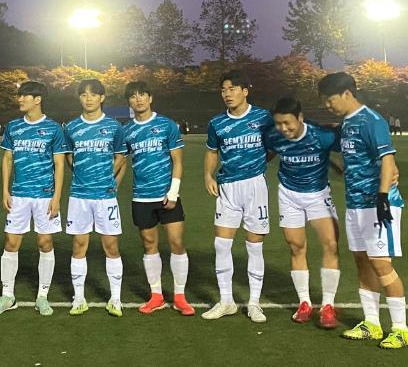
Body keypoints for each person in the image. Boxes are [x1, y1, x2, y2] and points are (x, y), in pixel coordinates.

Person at [318, 72, 408, 349]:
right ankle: (372, 323)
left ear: (347, 93)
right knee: (361, 260)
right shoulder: (346, 123)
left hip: (378, 205)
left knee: (381, 263)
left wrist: (382, 196)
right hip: (355, 204)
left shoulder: (372, 120)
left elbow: (388, 159)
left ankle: (400, 329)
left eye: (330, 100)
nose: (328, 105)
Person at [0, 81, 68, 317]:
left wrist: (57, 197)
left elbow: (59, 164)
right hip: (19, 195)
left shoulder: (53, 128)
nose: (20, 99)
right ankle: (7, 295)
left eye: (24, 96)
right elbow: (7, 159)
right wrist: (5, 190)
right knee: (11, 243)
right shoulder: (13, 127)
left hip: (44, 195)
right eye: (19, 95)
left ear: (37, 99)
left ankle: (42, 296)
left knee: (45, 243)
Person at [201, 70, 274, 323]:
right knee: (221, 244)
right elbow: (212, 151)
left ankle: (254, 303)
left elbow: (273, 146)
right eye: (223, 90)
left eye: (232, 89)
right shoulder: (217, 123)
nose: (227, 94)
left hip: (255, 186)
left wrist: (258, 164)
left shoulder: (263, 117)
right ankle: (226, 301)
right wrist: (208, 176)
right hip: (227, 187)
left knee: (254, 245)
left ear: (245, 91)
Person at [265, 97, 341, 329]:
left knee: (330, 245)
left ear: (300, 117)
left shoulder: (322, 136)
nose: (283, 128)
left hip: (318, 195)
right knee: (296, 246)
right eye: (278, 123)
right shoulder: (274, 136)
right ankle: (304, 303)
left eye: (287, 123)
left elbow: (350, 147)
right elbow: (268, 154)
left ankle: (328, 305)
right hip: (289, 195)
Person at [122, 81, 194, 316]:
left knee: (177, 243)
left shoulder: (166, 125)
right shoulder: (126, 130)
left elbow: (178, 161)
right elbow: (121, 160)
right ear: (129, 102)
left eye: (142, 95)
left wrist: (173, 192)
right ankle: (156, 296)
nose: (138, 99)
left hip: (167, 196)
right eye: (133, 96)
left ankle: (180, 297)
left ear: (150, 98)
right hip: (141, 197)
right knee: (149, 245)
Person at [64, 79, 128, 317]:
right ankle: (79, 298)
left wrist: (107, 178)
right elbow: (69, 156)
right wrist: (82, 174)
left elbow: (121, 157)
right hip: (79, 196)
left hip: (105, 197)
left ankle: (115, 299)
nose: (88, 98)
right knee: (79, 245)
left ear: (102, 98)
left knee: (111, 245)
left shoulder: (114, 127)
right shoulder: (71, 127)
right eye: (83, 95)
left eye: (93, 94)